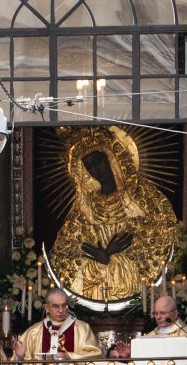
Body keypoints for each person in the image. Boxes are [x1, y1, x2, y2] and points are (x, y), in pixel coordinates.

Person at [50, 126, 177, 301]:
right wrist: (103, 256)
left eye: (98, 161)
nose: (96, 169)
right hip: (94, 286)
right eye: (89, 166)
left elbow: (158, 234)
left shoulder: (138, 196)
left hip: (131, 280)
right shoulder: (86, 207)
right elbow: (67, 251)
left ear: (110, 157)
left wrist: (116, 253)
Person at [13, 288, 101, 363]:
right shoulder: (33, 332)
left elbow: (95, 354)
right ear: (47, 308)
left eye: (64, 306)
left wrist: (70, 356)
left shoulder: (82, 329)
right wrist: (20, 358)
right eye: (56, 306)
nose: (61, 310)